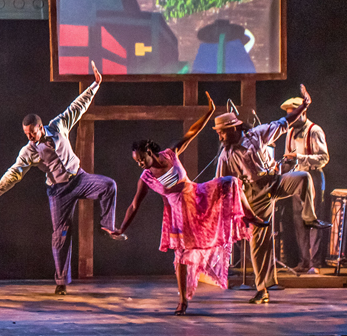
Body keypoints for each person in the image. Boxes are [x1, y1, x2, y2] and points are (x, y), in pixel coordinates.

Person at [0, 61, 123, 295]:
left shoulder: (58, 126)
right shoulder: (28, 151)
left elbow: (77, 107)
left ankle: (107, 226)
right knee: (61, 235)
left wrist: (95, 85)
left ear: (41, 127)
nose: (30, 137)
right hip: (59, 192)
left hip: (79, 179)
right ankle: (61, 282)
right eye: (26, 134)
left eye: (32, 133)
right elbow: (14, 173)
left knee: (108, 185)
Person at [113, 93, 265, 315]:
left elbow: (192, 132)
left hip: (198, 196)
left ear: (149, 152)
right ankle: (183, 300)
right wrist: (121, 228)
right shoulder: (146, 178)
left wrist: (209, 112)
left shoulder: (170, 154)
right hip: (180, 215)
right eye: (137, 162)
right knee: (182, 258)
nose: (140, 164)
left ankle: (249, 215)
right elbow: (134, 206)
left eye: (141, 159)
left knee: (231, 182)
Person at [213, 84, 331, 304]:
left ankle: (309, 217)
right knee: (260, 244)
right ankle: (262, 289)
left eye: (222, 132)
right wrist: (239, 212)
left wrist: (304, 105)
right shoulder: (226, 156)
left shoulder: (256, 135)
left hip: (275, 181)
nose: (220, 137)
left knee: (303, 177)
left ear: (234, 128)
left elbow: (284, 122)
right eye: (218, 133)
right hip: (255, 195)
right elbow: (224, 186)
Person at [276, 96, 330, 273]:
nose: (291, 118)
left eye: (294, 114)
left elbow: (324, 158)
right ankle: (304, 261)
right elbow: (287, 158)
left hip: (313, 176)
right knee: (299, 220)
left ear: (303, 112)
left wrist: (299, 157)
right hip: (297, 178)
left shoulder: (315, 130)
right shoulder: (290, 132)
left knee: (312, 219)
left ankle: (314, 263)